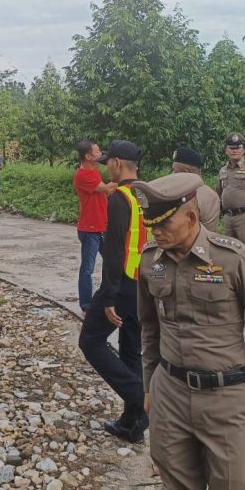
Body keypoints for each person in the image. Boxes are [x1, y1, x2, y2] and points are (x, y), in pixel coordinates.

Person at [133, 172, 245, 490]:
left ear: (191, 217)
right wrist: (149, 385)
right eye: (151, 224)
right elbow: (149, 328)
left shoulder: (234, 260)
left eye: (164, 223)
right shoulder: (151, 260)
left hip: (227, 398)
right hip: (170, 393)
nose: (156, 232)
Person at [78, 140, 149, 444]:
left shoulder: (120, 198)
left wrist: (108, 296)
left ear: (118, 163)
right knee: (131, 349)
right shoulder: (145, 194)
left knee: (90, 341)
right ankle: (132, 423)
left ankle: (142, 401)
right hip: (143, 283)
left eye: (108, 162)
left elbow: (115, 250)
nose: (107, 166)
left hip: (122, 285)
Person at [74, 139, 116, 313]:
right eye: (97, 151)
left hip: (101, 227)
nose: (100, 154)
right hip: (90, 229)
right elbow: (107, 189)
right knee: (87, 269)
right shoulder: (83, 175)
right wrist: (126, 179)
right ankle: (86, 305)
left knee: (112, 262)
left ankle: (109, 297)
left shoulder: (94, 170)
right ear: (88, 156)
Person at [170, 146, 220, 232]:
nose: (172, 175)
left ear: (185, 172)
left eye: (174, 171)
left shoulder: (207, 196)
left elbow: (208, 232)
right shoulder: (175, 192)